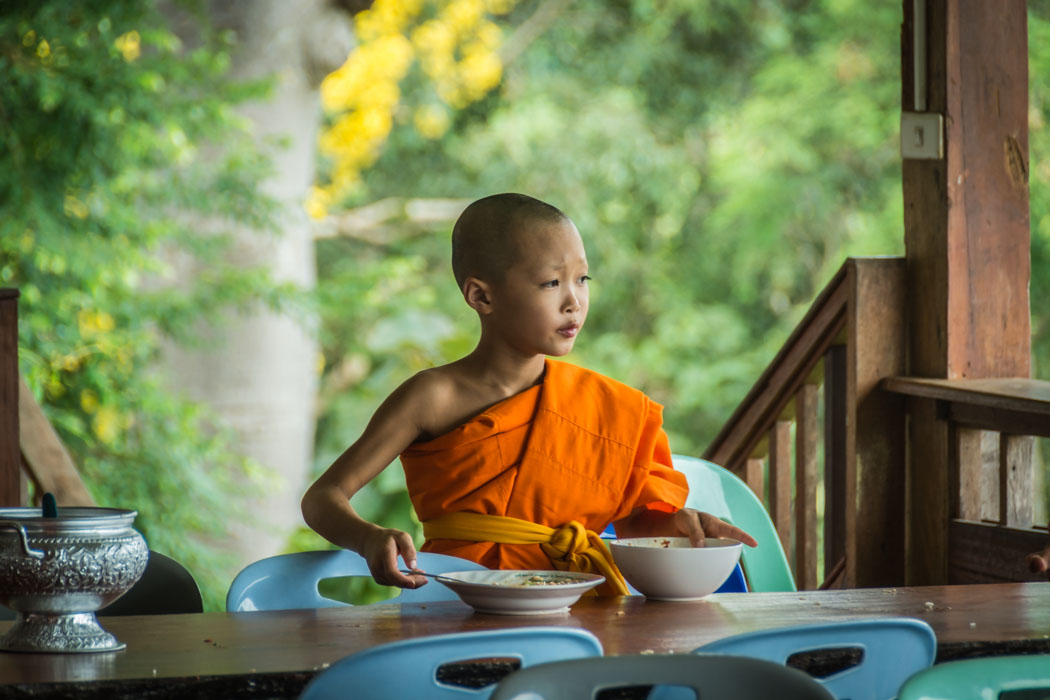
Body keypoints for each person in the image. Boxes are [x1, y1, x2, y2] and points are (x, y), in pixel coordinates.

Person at [301, 192, 757, 595]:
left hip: (575, 601)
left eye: (583, 279)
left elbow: (634, 520)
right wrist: (367, 537)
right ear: (481, 297)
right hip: (452, 598)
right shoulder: (433, 396)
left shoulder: (606, 406)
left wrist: (678, 524)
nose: (573, 301)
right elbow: (324, 498)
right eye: (551, 283)